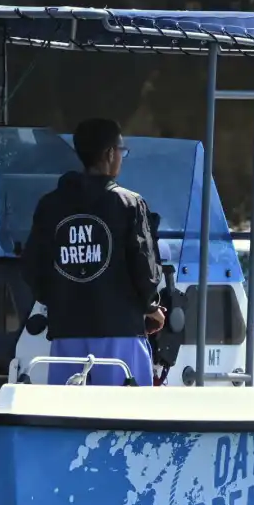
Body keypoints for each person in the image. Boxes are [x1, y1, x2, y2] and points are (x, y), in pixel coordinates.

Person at [20, 118, 165, 385]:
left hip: (66, 333)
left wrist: (59, 300)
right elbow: (144, 264)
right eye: (121, 150)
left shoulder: (50, 205)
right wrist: (151, 306)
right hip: (119, 333)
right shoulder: (129, 204)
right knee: (124, 418)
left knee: (69, 417)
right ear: (110, 153)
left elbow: (32, 266)